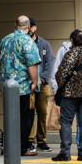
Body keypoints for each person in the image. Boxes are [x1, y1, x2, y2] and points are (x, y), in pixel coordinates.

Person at [51, 29, 82, 162]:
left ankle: (65, 152)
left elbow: (60, 74)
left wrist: (60, 86)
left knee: (66, 122)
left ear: (71, 41)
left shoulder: (70, 53)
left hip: (70, 94)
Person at [0, 16, 41, 157]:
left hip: (6, 86)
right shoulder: (28, 41)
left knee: (10, 118)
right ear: (28, 27)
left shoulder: (5, 40)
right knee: (25, 118)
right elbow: (32, 64)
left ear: (15, 24)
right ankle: (22, 147)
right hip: (23, 87)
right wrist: (34, 83)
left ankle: (8, 146)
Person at [27, 18, 54, 153]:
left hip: (43, 86)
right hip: (28, 86)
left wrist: (42, 79)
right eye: (27, 26)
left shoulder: (44, 44)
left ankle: (41, 141)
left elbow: (49, 64)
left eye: (31, 26)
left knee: (43, 113)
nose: (29, 29)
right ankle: (30, 141)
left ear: (35, 27)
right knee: (30, 112)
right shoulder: (24, 43)